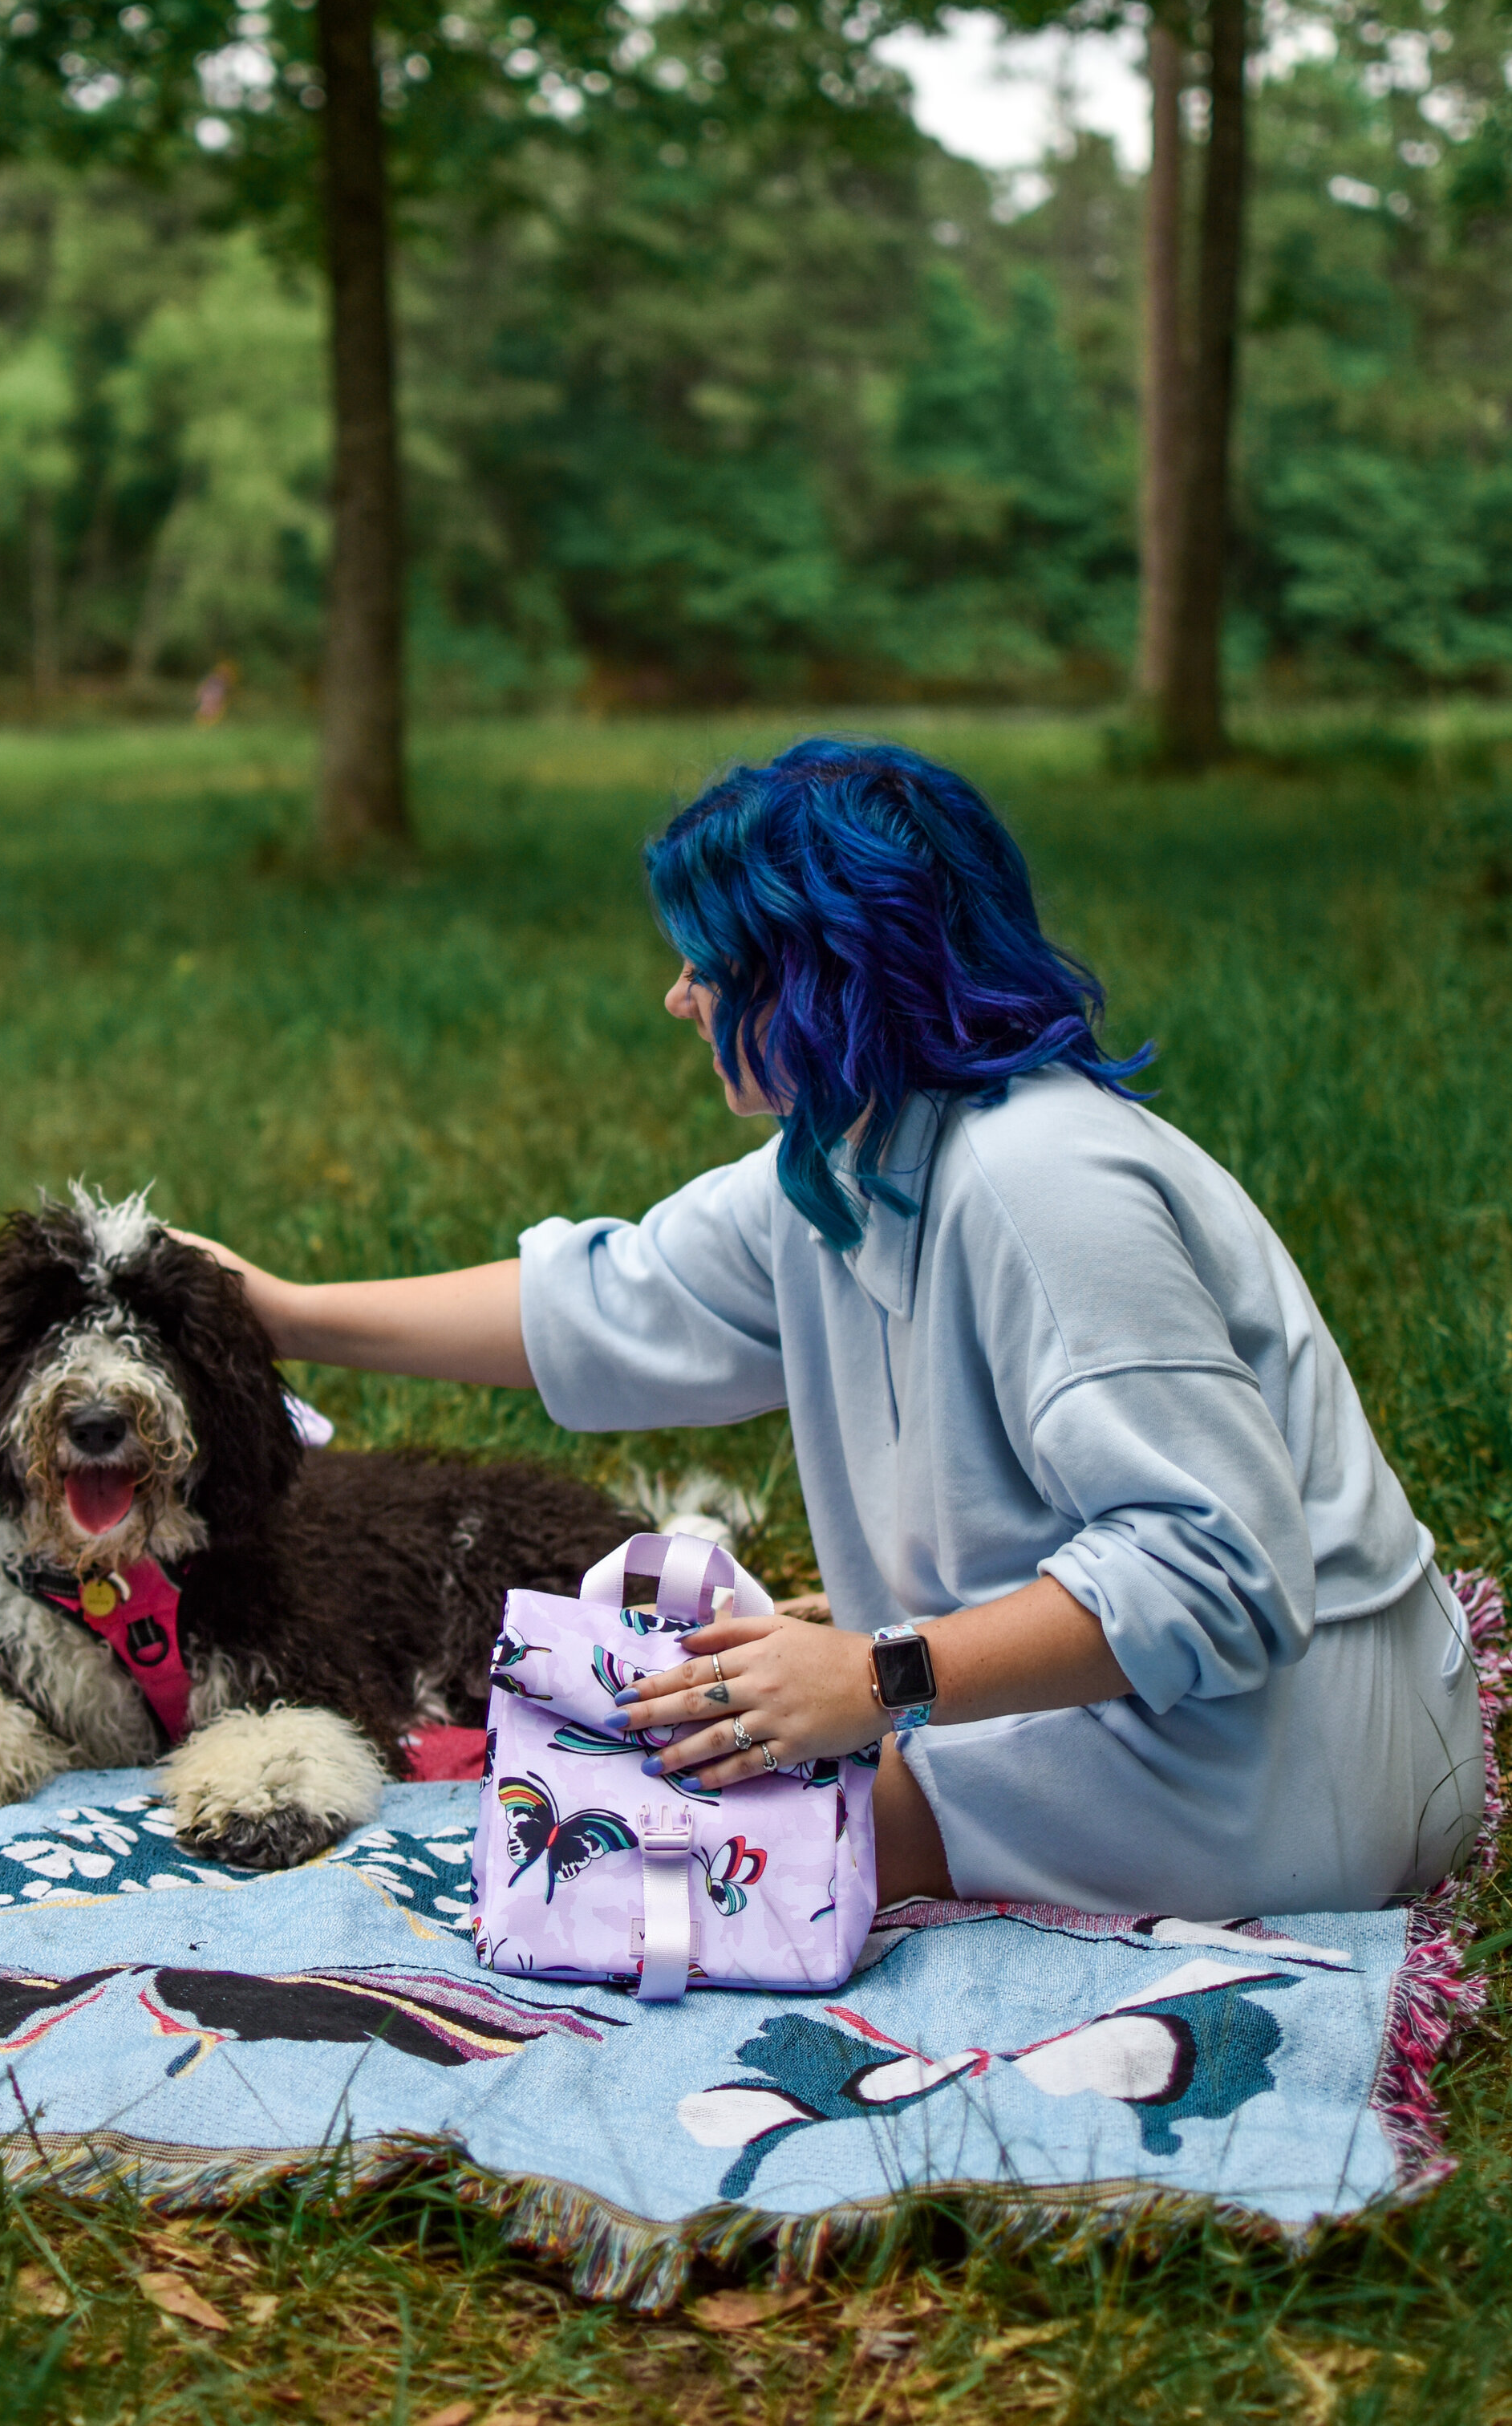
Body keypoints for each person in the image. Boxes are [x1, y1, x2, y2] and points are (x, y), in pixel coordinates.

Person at [176, 738, 1485, 1918]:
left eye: (710, 962)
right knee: (628, 1771)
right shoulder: (855, 1156)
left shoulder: (1048, 1182)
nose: (677, 997)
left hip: (1271, 1767)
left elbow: (1221, 1578)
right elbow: (607, 1300)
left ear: (821, 975)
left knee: (628, 1853)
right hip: (1106, 1712)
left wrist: (876, 1674)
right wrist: (281, 1311)